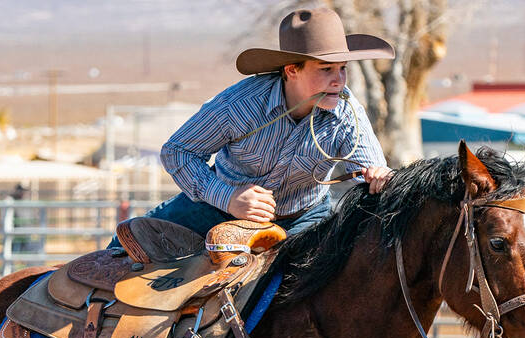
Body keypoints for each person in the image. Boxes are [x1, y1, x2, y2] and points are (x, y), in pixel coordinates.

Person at [111, 8, 395, 250]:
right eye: (325, 69)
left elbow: (370, 170)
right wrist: (229, 198)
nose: (339, 81)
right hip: (216, 209)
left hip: (305, 220)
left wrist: (378, 176)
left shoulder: (347, 113)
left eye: (342, 68)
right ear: (291, 70)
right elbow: (177, 151)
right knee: (126, 246)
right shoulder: (240, 105)